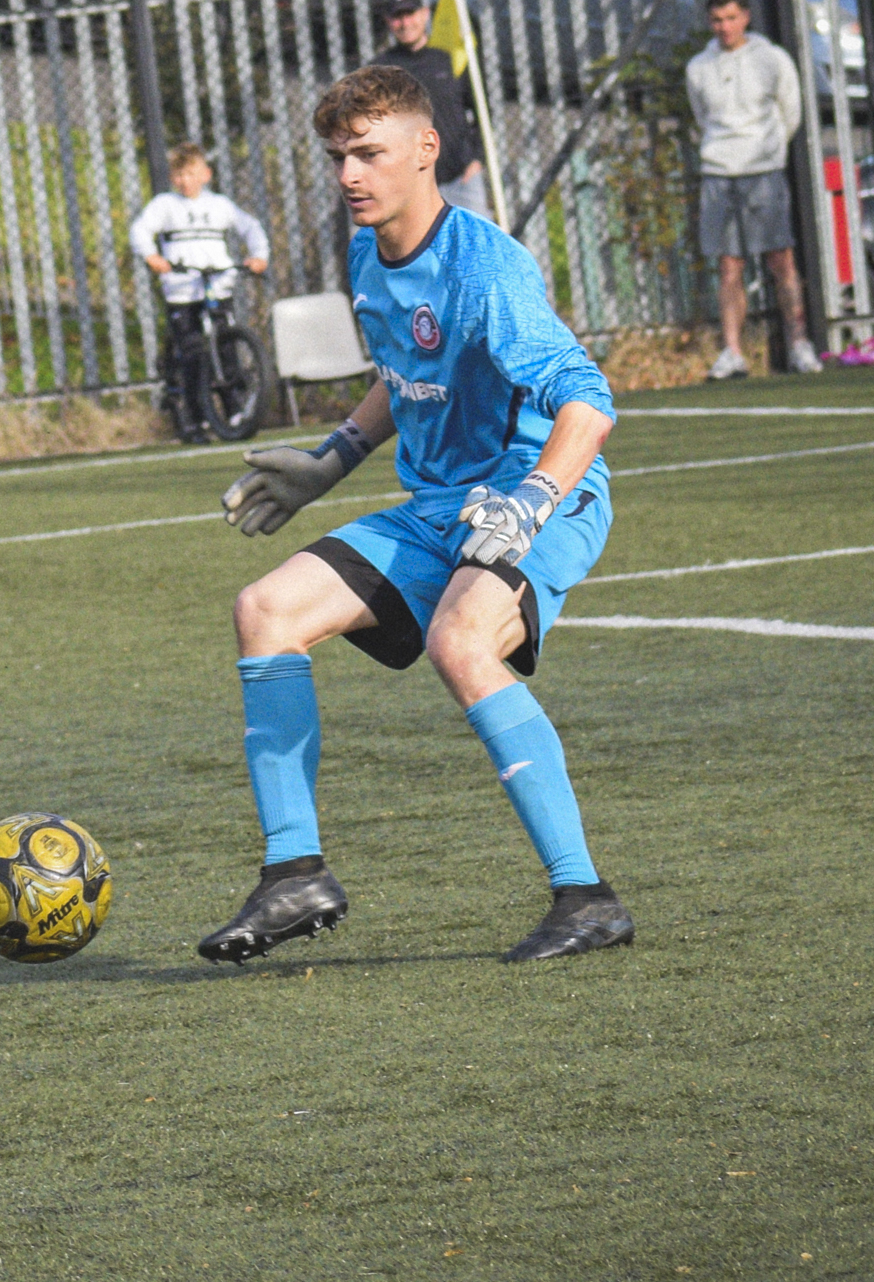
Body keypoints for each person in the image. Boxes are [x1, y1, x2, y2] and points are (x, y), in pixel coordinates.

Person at [209, 63, 632, 968]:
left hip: (541, 494)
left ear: (425, 149)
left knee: (461, 641)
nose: (349, 176)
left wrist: (530, 501)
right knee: (266, 611)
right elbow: (405, 373)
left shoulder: (488, 268)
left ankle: (586, 895)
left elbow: (589, 403)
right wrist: (331, 463)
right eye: (337, 158)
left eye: (368, 154)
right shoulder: (369, 250)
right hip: (438, 506)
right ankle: (296, 873)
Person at [685, 0, 819, 380]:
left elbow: (789, 113)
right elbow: (701, 117)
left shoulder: (772, 59)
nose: (724, 27)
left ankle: (799, 344)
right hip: (718, 172)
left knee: (781, 259)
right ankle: (733, 351)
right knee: (729, 266)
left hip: (763, 170)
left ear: (745, 17)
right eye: (716, 20)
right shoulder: (698, 67)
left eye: (730, 18)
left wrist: (766, 151)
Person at [127, 142, 270, 443]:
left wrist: (258, 255)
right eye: (179, 175)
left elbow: (250, 228)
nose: (186, 181)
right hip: (182, 288)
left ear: (206, 174)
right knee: (192, 352)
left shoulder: (220, 205)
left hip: (216, 284)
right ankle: (192, 420)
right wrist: (153, 256)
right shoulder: (164, 205)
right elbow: (140, 230)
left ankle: (235, 411)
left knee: (226, 348)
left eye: (192, 174)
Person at [370, 0, 490, 217]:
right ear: (388, 21)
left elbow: (482, 111)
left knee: (477, 249)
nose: (405, 23)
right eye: (397, 17)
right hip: (413, 187)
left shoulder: (448, 59)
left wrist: (477, 158)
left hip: (461, 177)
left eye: (410, 14)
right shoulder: (382, 70)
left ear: (425, 14)